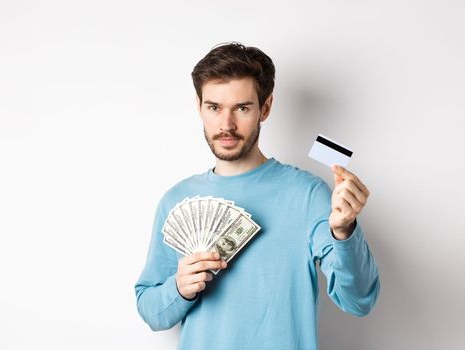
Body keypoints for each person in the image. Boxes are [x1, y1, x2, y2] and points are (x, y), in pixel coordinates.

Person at [134, 42, 380, 349]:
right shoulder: (176, 200)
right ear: (199, 107)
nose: (226, 125)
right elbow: (151, 312)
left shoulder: (307, 194)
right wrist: (179, 288)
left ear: (265, 108)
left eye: (242, 108)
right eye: (214, 108)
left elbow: (359, 301)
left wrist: (344, 233)